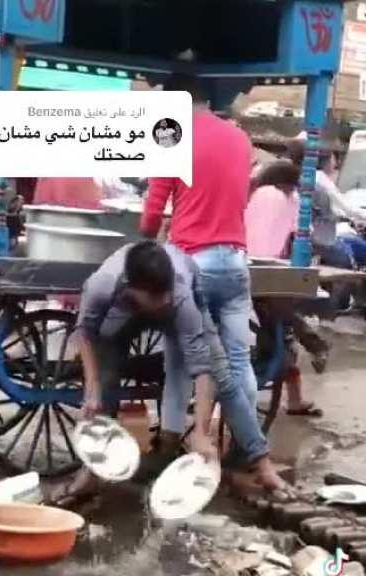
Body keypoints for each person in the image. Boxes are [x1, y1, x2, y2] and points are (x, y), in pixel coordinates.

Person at [141, 71, 285, 494]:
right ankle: (244, 443)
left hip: (192, 262)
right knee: (237, 361)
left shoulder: (172, 135)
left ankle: (168, 442)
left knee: (178, 358)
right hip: (234, 262)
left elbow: (152, 213)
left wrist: (148, 241)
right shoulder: (240, 138)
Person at [61, 241, 289, 503]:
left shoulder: (179, 294)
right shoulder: (103, 285)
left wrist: (201, 433)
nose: (165, 299)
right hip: (122, 314)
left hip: (186, 305)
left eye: (166, 292)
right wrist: (92, 387)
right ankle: (92, 468)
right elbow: (85, 333)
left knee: (223, 376)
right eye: (157, 296)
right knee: (106, 372)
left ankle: (264, 466)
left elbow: (202, 370)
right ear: (133, 288)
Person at [246, 160, 329, 417]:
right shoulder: (283, 198)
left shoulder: (256, 193)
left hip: (248, 265)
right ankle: (314, 343)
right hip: (270, 272)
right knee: (283, 327)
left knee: (282, 327)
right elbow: (302, 233)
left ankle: (313, 345)